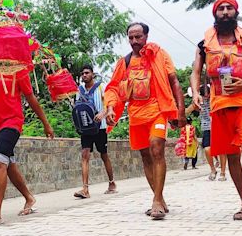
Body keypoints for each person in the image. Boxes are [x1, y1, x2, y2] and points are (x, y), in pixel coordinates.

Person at [190, 0, 242, 226]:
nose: (225, 12)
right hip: (219, 104)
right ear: (215, 14)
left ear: (236, 12)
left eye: (229, 8)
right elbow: (196, 72)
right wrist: (196, 93)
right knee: (232, 154)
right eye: (221, 9)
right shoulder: (203, 45)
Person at [103, 22, 186, 220]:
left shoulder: (159, 54)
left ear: (146, 36)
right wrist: (109, 108)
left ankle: (156, 201)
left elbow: (174, 81)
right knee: (146, 156)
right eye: (131, 38)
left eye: (138, 37)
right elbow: (113, 88)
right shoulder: (124, 62)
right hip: (136, 115)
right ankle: (159, 198)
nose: (134, 41)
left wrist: (180, 110)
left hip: (158, 110)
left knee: (156, 148)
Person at [0, 66, 54, 227]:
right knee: (9, 165)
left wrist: (46, 124)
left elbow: (31, 99)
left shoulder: (19, 71)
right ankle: (29, 198)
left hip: (12, 123)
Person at [73, 64, 117, 199]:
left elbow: (108, 104)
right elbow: (77, 107)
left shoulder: (101, 87)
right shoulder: (79, 90)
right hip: (86, 128)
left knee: (104, 155)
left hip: (100, 127)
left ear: (93, 74)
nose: (84, 75)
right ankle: (85, 189)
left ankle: (112, 183)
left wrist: (103, 114)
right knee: (85, 155)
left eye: (87, 73)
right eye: (82, 73)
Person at [187, 85, 227, 181]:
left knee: (221, 150)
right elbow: (188, 110)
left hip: (219, 126)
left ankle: (223, 172)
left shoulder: (216, 99)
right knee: (207, 149)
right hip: (207, 127)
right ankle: (213, 170)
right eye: (204, 95)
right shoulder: (198, 102)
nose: (206, 97)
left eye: (207, 95)